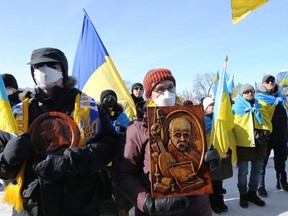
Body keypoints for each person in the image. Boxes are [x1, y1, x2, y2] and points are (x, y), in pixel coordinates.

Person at [0, 47, 122, 216]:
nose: (44, 71)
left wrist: (73, 161)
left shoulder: (90, 106)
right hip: (33, 205)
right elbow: (2, 167)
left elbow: (111, 145)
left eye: (52, 66)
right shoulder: (17, 113)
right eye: (38, 66)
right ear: (32, 73)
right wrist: (7, 157)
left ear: (63, 70)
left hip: (80, 203)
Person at [116, 68, 219, 216]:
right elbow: (125, 173)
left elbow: (199, 167)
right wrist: (148, 203)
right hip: (158, 210)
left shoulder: (190, 119)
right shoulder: (138, 128)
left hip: (195, 208)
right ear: (150, 94)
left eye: (170, 87)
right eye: (160, 89)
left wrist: (209, 163)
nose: (167, 93)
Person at [232, 83, 272, 208]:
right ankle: (243, 194)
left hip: (259, 144)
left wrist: (265, 132)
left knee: (256, 171)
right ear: (241, 93)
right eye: (247, 91)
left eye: (252, 91)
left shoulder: (259, 105)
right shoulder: (235, 107)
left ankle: (252, 193)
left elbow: (266, 121)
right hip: (242, 144)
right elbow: (232, 126)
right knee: (243, 172)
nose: (250, 93)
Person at [99, 89, 132, 216]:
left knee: (120, 189)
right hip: (103, 158)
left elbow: (130, 129)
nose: (110, 99)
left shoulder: (121, 115)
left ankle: (123, 210)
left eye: (113, 96)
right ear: (102, 101)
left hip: (119, 158)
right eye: (107, 97)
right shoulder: (98, 114)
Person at [256, 75, 288, 196]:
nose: (270, 83)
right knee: (262, 162)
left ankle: (282, 182)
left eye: (272, 81)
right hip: (266, 137)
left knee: (281, 161)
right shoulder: (259, 98)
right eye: (268, 81)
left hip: (281, 136)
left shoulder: (281, 98)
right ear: (263, 83)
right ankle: (260, 186)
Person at [202, 97, 232, 213]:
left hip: (220, 153)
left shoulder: (219, 120)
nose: (213, 107)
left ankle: (220, 201)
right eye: (211, 105)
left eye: (215, 104)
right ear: (205, 108)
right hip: (209, 155)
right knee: (211, 181)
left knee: (219, 180)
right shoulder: (203, 121)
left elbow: (226, 135)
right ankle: (213, 203)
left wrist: (225, 149)